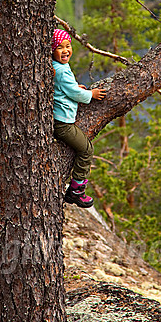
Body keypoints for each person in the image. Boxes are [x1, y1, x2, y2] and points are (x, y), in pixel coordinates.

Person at [52, 28, 106, 208]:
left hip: (60, 118)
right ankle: (76, 191)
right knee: (86, 149)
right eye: (60, 47)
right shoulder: (60, 71)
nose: (65, 50)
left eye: (68, 46)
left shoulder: (58, 67)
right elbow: (73, 92)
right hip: (63, 123)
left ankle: (75, 189)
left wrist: (76, 87)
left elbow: (67, 88)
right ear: (52, 50)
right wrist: (90, 94)